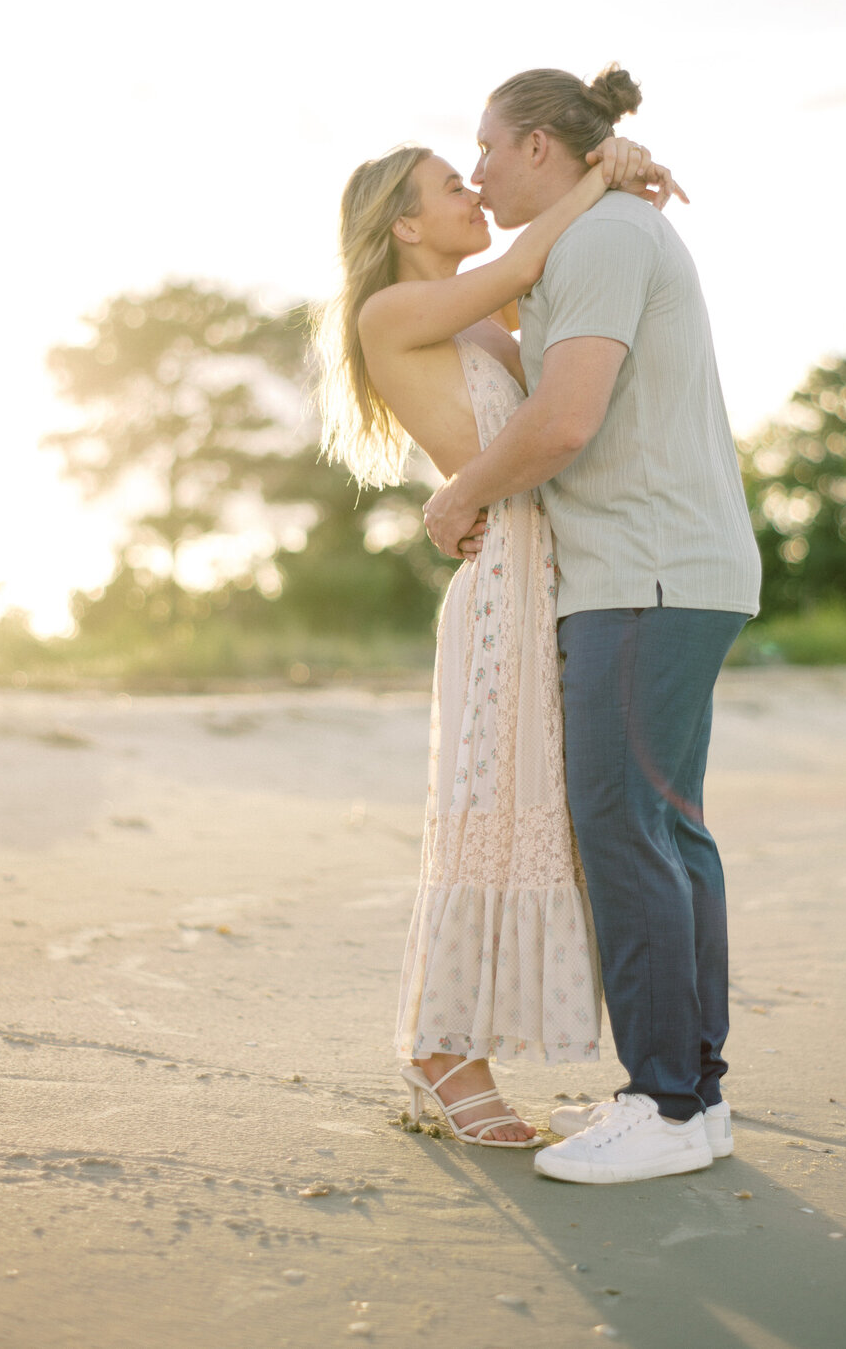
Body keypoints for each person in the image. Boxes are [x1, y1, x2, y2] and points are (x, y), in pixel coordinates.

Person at [423, 64, 762, 1182]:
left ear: (537, 147)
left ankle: (663, 1106)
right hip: (670, 572)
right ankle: (695, 1099)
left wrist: (461, 491)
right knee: (668, 834)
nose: (474, 169)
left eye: (485, 146)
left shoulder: (608, 241)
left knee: (624, 832)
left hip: (641, 576)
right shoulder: (595, 236)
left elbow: (564, 421)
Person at [314, 120, 683, 1146]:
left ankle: (471, 1044)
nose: (475, 192)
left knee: (533, 805)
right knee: (482, 806)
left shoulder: (483, 317)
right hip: (498, 590)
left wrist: (620, 193)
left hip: (542, 573)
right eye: (451, 185)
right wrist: (602, 168)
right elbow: (530, 252)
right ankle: (440, 1052)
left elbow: (563, 299)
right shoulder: (394, 311)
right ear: (404, 220)